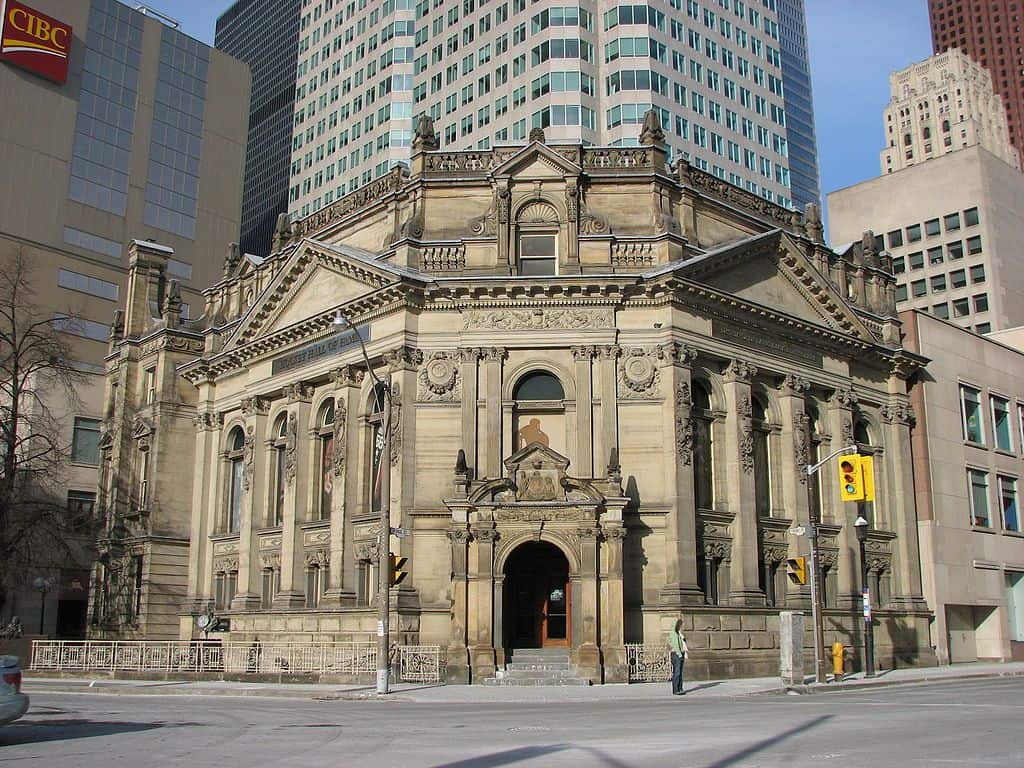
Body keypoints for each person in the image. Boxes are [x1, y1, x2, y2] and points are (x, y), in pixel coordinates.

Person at [668, 619, 689, 695]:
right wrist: (680, 654)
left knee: (680, 672)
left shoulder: (678, 633)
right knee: (677, 673)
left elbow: (682, 643)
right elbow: (676, 645)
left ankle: (680, 688)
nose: (681, 626)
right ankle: (676, 690)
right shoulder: (673, 633)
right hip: (677, 654)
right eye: (680, 625)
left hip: (680, 653)